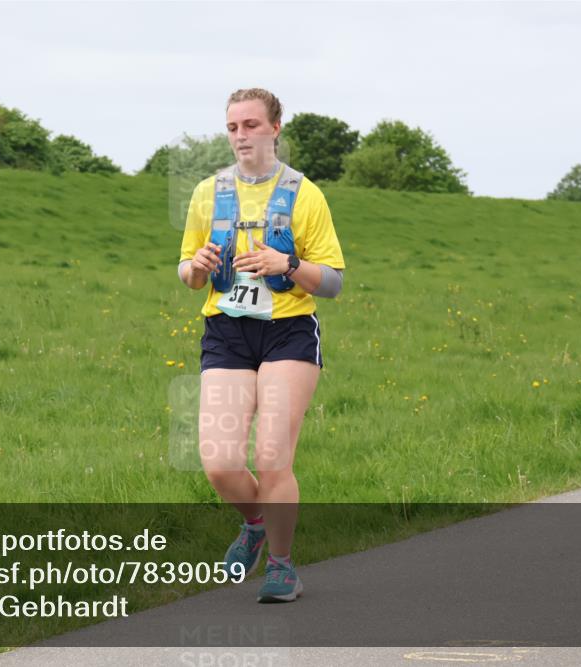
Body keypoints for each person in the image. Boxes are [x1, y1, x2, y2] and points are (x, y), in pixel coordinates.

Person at [177, 88, 346, 602]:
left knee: (272, 456)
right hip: (227, 330)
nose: (240, 136)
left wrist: (287, 265)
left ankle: (281, 566)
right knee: (220, 462)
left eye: (251, 125)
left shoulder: (304, 193)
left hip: (288, 330)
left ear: (275, 128)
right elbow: (186, 272)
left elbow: (334, 281)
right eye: (232, 127)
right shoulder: (208, 192)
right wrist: (198, 267)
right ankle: (254, 524)